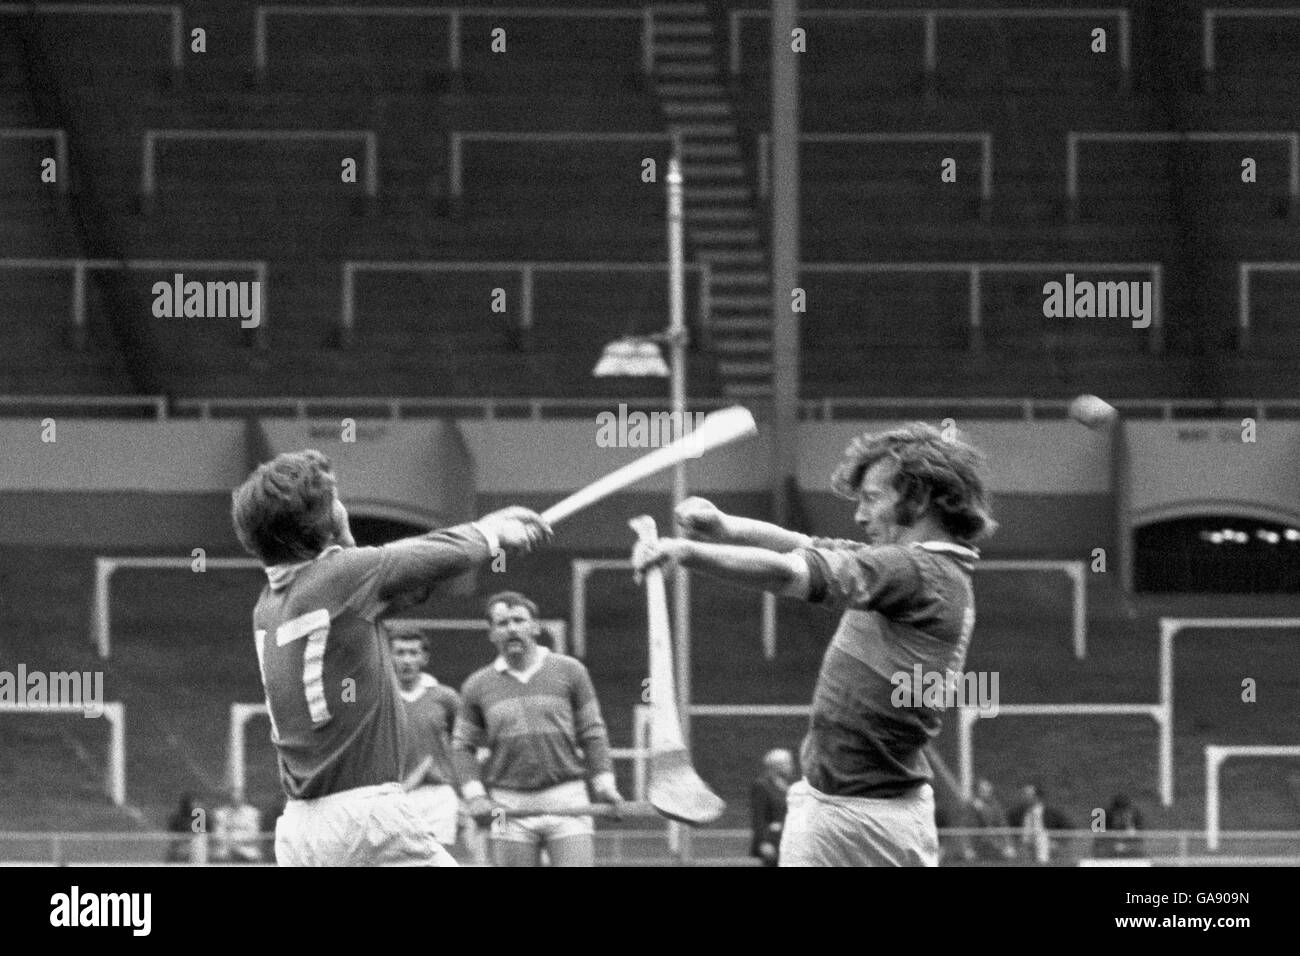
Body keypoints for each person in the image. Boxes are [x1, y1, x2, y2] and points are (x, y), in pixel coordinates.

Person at [633, 423, 997, 867]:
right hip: (837, 805)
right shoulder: (914, 568)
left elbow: (789, 573)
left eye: (871, 498)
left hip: (866, 822)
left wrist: (687, 554)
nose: (860, 516)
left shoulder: (917, 572)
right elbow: (805, 546)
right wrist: (725, 526)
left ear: (918, 499)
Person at [230, 449, 551, 866]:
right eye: (336, 500)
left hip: (300, 829)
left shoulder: (271, 605)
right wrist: (491, 533)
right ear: (324, 523)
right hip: (363, 817)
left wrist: (480, 536)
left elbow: (397, 586)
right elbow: (417, 561)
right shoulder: (341, 577)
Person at [454, 590, 623, 867]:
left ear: (535, 627)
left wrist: (605, 785)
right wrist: (475, 796)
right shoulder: (477, 685)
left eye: (519, 621)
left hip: (567, 797)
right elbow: (462, 746)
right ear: (491, 633)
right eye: (502, 623)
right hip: (507, 803)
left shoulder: (571, 671)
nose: (512, 629)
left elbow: (592, 732)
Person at [388, 625, 462, 853]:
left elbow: (460, 744)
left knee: (437, 859)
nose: (407, 660)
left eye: (413, 653)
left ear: (424, 658)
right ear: (388, 656)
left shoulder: (446, 697)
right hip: (392, 794)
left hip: (437, 796)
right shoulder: (378, 698)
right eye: (400, 653)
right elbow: (347, 694)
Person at [750, 748, 795, 866]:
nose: (791, 766)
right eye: (788, 763)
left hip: (788, 839)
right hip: (772, 841)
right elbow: (758, 817)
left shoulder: (787, 786)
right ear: (776, 766)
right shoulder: (762, 786)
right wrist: (762, 842)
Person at [967, 778, 1016, 862]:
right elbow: (966, 827)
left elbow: (1002, 824)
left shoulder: (996, 806)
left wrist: (1009, 845)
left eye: (987, 789)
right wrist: (968, 848)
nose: (985, 792)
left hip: (996, 845)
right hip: (978, 845)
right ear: (977, 791)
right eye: (982, 790)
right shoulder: (971, 806)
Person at [1096, 792, 1145, 858]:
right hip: (1109, 853)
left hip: (1130, 853)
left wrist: (1127, 844)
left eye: (1125, 810)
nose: (1122, 814)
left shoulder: (1134, 816)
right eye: (1119, 811)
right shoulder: (1105, 815)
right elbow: (1098, 839)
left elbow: (1139, 840)